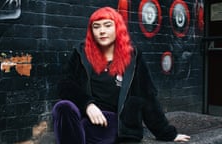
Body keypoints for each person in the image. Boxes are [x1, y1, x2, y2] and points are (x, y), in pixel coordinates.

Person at [52, 6, 190, 144]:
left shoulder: (133, 58)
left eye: (107, 25)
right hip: (85, 113)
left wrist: (167, 133)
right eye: (96, 26)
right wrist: (88, 105)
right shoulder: (81, 53)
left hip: (116, 121)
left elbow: (147, 96)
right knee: (63, 107)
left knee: (79, 131)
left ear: (117, 28)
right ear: (91, 31)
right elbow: (65, 84)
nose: (102, 31)